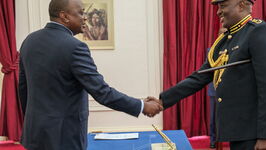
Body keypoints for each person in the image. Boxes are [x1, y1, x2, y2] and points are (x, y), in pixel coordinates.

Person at [18, 0, 162, 150]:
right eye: (80, 12)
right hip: (64, 138)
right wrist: (142, 106)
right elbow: (102, 92)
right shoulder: (75, 47)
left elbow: (23, 89)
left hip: (33, 134)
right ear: (64, 16)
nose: (85, 17)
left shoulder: (29, 41)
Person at [153, 0, 266, 149]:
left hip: (259, 130)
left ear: (241, 6)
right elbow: (200, 77)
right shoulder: (227, 39)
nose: (218, 12)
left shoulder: (259, 32)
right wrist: (163, 100)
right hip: (243, 129)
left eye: (222, 6)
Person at [207, 27, 227, 149]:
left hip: (229, 89)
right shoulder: (211, 50)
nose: (223, 36)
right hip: (214, 89)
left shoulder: (234, 49)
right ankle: (213, 140)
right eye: (221, 34)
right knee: (214, 117)